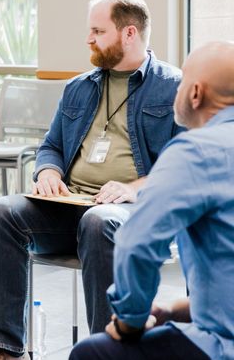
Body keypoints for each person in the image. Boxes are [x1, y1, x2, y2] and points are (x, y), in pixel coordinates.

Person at [0, 0, 183, 359]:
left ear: (129, 33)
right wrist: (47, 172)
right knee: (0, 213)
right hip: (71, 205)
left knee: (98, 220)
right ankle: (5, 349)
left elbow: (183, 165)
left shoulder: (173, 87)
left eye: (97, 31)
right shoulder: (78, 88)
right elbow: (51, 145)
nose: (88, 39)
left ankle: (106, 350)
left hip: (133, 212)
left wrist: (133, 187)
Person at [69, 40, 234, 360]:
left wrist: (131, 320)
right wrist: (170, 310)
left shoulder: (196, 151)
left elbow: (138, 245)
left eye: (183, 80)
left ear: (195, 92)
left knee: (92, 352)